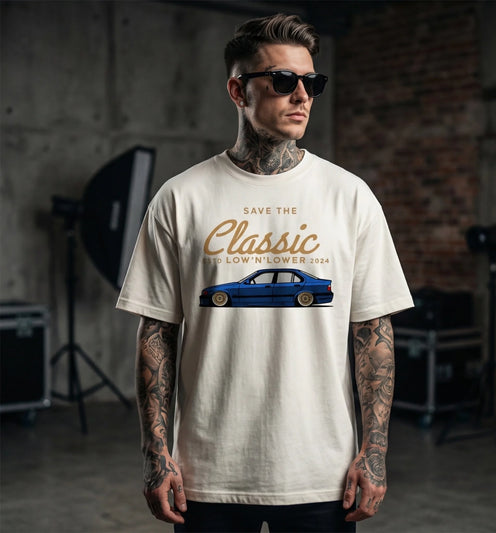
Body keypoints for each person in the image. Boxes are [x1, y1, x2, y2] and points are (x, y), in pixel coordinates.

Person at [116, 13, 413, 533]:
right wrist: (155, 454)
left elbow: (373, 332)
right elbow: (156, 332)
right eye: (282, 80)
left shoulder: (350, 197)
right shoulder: (181, 198)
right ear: (238, 90)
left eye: (311, 82)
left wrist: (375, 452)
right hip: (206, 474)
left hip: (323, 474)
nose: (301, 95)